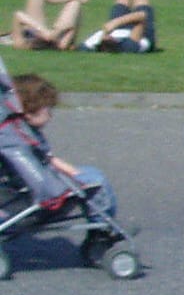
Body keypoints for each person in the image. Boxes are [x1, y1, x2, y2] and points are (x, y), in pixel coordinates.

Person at [6, 74, 117, 217]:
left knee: (89, 175)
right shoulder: (22, 137)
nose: (50, 115)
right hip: (44, 188)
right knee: (95, 178)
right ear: (30, 111)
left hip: (29, 183)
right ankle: (103, 227)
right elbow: (48, 160)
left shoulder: (13, 133)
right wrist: (74, 173)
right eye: (48, 110)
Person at [9, 0, 100, 50]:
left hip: (42, 31)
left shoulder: (22, 43)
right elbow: (72, 20)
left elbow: (18, 15)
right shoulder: (60, 44)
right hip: (58, 35)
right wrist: (55, 33)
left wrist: (43, 32)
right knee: (75, 3)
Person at [79, 0, 156, 53]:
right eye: (110, 38)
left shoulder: (90, 45)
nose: (108, 36)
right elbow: (142, 16)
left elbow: (76, 47)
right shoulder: (128, 47)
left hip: (117, 28)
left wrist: (109, 29)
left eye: (105, 37)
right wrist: (115, 22)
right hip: (140, 33)